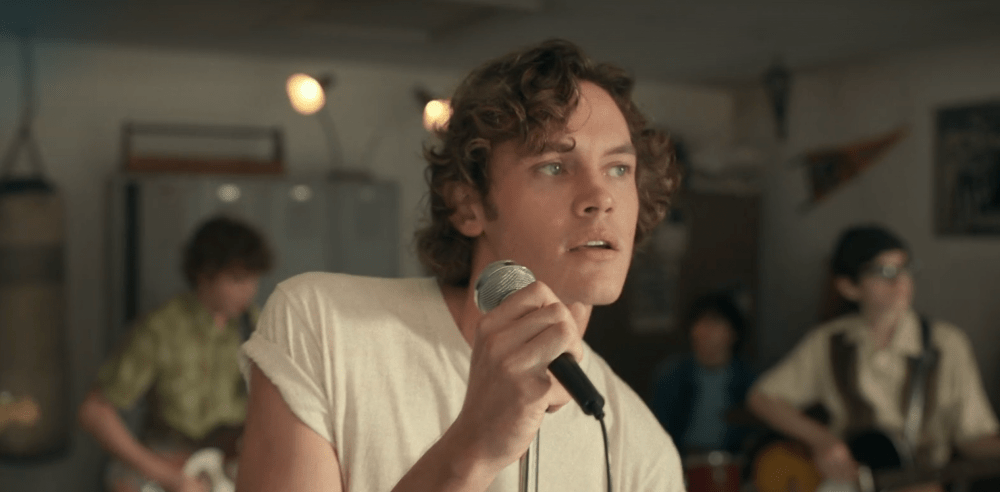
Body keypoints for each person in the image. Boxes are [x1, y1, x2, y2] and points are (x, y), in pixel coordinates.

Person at [235, 39, 686, 491]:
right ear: (468, 205)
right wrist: (473, 446)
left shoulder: (641, 449)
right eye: (553, 166)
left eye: (619, 169)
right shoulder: (324, 326)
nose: (601, 197)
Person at [747, 224, 1000, 491]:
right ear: (849, 287)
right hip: (848, 481)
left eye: (905, 268)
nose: (900, 281)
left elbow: (972, 436)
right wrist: (822, 441)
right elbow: (762, 397)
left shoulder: (947, 345)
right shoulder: (829, 341)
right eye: (884, 272)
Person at [79, 215, 273, 492]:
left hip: (232, 458)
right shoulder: (161, 328)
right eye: (237, 279)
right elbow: (95, 411)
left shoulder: (256, 325)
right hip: (172, 456)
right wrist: (169, 476)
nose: (249, 291)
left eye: (254, 279)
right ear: (205, 274)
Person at [651, 292, 757, 456]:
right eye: (699, 322)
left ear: (733, 333)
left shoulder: (747, 379)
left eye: (714, 323)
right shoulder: (673, 375)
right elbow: (659, 426)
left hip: (731, 460)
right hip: (680, 458)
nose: (704, 330)